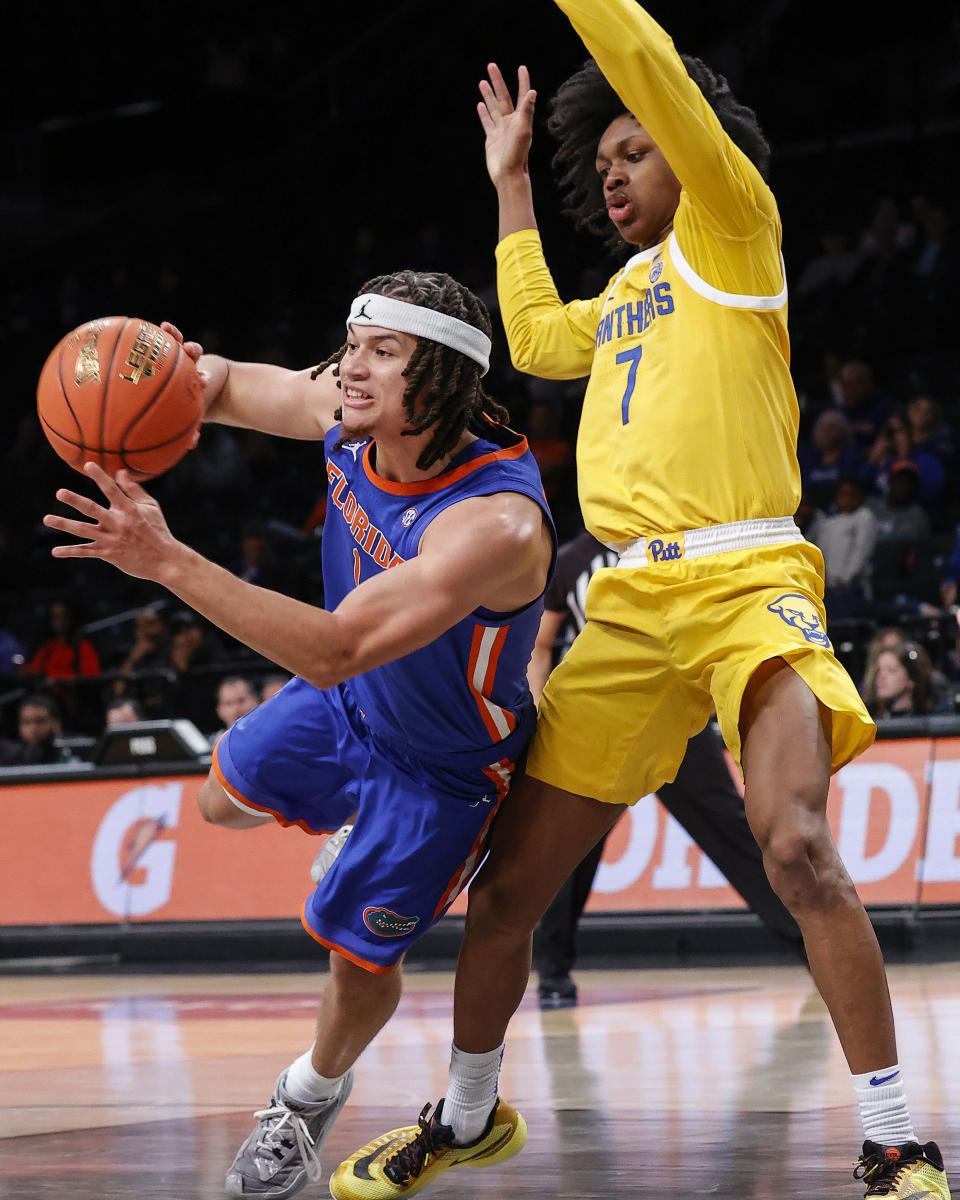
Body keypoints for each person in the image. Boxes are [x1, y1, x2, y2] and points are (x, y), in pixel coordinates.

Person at [334, 5, 951, 1199]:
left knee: (797, 844)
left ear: (692, 146)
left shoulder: (736, 231)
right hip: (622, 612)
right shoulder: (621, 295)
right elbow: (527, 335)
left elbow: (651, 66)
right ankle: (466, 1118)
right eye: (600, 163)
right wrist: (511, 184)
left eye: (636, 151)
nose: (613, 174)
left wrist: (618, 50)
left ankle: (895, 1136)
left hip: (746, 583)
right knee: (507, 892)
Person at [42, 269, 555, 1200]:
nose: (351, 370)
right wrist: (167, 367)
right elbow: (228, 383)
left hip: (441, 766)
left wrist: (168, 562)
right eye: (351, 344)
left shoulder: (497, 524)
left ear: (438, 379)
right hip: (354, 704)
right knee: (219, 799)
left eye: (381, 353)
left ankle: (303, 1099)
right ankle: (343, 829)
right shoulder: (355, 411)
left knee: (358, 957)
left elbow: (335, 646)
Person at [529, 527, 801, 1008]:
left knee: (728, 828)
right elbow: (540, 643)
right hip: (605, 717)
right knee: (570, 848)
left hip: (666, 711)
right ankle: (552, 973)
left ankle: (807, 940)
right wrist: (539, 708)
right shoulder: (572, 560)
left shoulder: (661, 546)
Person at [862, 642, 934, 719]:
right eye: (879, 670)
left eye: (891, 670)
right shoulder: (869, 717)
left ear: (912, 677)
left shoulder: (930, 721)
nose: (880, 677)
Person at [0, 693, 66, 766]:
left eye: (40, 721)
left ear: (56, 724)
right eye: (26, 722)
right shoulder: (9, 757)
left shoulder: (75, 748)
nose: (33, 729)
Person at [208, 674, 261, 747]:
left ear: (256, 702)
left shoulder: (272, 735)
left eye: (241, 700)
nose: (236, 708)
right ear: (219, 710)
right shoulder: (210, 744)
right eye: (228, 703)